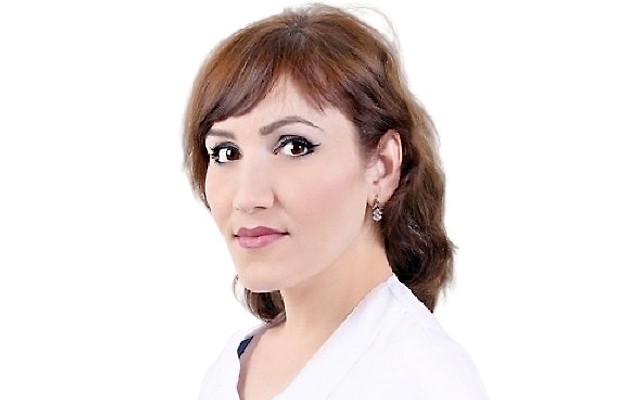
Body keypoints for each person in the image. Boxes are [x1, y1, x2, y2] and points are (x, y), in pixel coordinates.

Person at [183, 4, 488, 399]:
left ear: (382, 166)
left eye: (295, 146)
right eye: (226, 153)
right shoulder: (232, 366)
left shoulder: (423, 379)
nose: (247, 197)